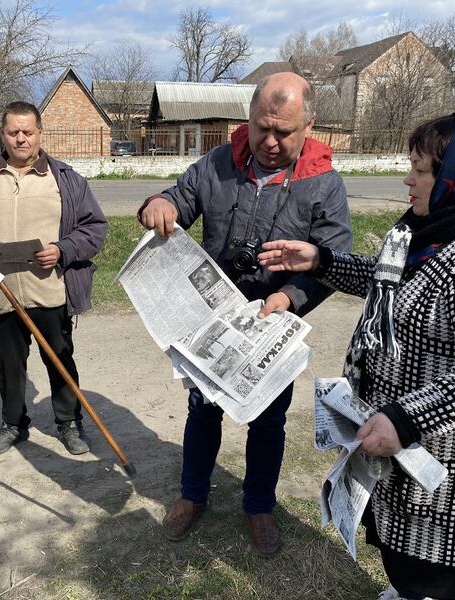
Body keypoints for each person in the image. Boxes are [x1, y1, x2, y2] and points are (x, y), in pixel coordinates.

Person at [258, 113, 455, 599]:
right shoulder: (438, 229)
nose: (408, 180)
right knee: (407, 556)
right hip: (406, 437)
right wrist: (323, 262)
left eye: (422, 170)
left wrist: (406, 419)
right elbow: (391, 281)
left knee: (446, 567)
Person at [138, 72, 352, 556]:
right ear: (249, 119)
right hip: (212, 324)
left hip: (272, 325)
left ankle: (259, 507)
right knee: (202, 411)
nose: (270, 142)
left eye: (285, 132)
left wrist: (291, 299)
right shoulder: (218, 163)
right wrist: (158, 204)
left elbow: (334, 257)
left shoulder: (324, 184)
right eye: (262, 128)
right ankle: (193, 496)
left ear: (309, 126)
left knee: (269, 422)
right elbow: (180, 198)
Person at [0, 101, 108, 457]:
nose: (21, 139)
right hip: (2, 294)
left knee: (59, 359)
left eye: (28, 132)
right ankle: (13, 424)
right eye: (13, 132)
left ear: (40, 134)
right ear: (3, 134)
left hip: (51, 291)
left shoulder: (65, 179)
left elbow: (95, 228)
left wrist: (63, 249)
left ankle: (69, 423)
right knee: (8, 365)